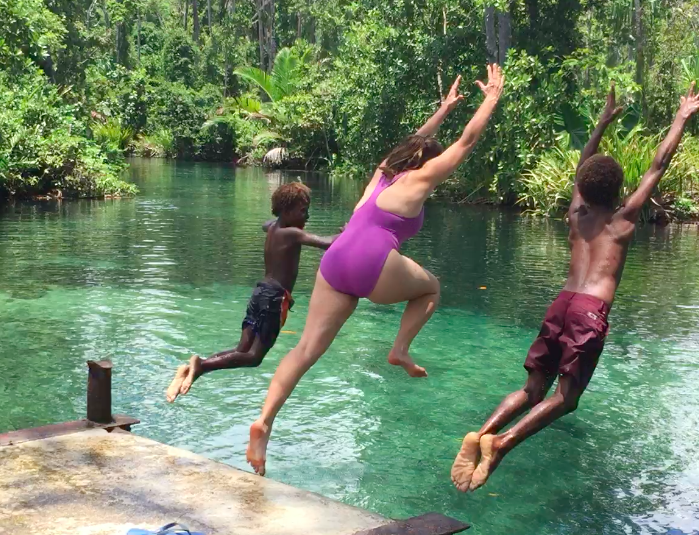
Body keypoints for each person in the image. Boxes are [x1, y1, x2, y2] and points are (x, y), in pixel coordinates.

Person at [451, 82, 699, 493]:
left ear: (585, 189)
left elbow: (582, 165)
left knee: (532, 389)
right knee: (566, 398)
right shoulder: (623, 219)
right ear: (617, 189)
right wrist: (681, 117)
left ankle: (480, 432)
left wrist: (601, 123)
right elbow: (658, 164)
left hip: (561, 303)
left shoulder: (576, 213)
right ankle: (500, 444)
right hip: (589, 311)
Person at [245, 65, 507, 475]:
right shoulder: (419, 181)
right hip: (372, 264)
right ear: (425, 163)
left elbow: (412, 142)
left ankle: (264, 422)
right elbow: (467, 142)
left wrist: (442, 110)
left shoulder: (383, 176)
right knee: (431, 289)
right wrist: (490, 98)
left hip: (336, 261)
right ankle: (399, 349)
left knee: (306, 350)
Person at [166, 182, 341, 402]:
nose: (307, 216)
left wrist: (277, 220)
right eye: (303, 211)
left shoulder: (273, 228)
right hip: (274, 299)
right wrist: (349, 233)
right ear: (287, 212)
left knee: (241, 349)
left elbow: (265, 224)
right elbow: (327, 243)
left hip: (259, 294)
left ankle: (194, 367)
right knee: (253, 357)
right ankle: (200, 365)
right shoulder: (292, 234)